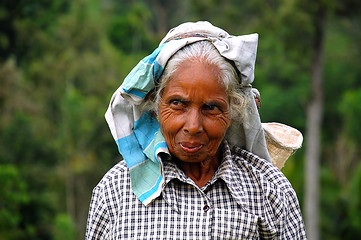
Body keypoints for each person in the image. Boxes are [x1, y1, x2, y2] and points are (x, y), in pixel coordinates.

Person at [86, 21, 307, 239]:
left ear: (233, 112)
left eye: (211, 108)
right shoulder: (115, 191)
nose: (193, 126)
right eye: (177, 104)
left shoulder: (269, 190)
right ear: (155, 105)